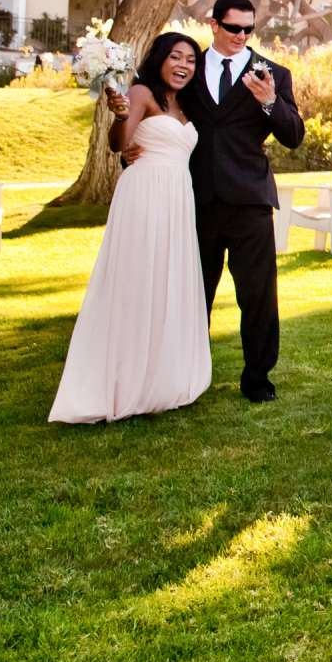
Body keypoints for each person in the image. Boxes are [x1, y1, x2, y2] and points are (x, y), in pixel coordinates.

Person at [51, 33, 212, 423]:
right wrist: (122, 117)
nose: (183, 65)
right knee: (138, 281)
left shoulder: (186, 102)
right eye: (175, 56)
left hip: (178, 197)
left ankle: (162, 376)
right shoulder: (140, 92)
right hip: (145, 195)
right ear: (159, 59)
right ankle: (124, 380)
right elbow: (119, 144)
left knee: (169, 280)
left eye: (190, 59)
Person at [174, 0, 303, 403]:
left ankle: (258, 378)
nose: (241, 36)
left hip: (250, 198)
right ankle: (185, 374)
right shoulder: (188, 69)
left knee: (258, 294)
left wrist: (270, 102)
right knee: (194, 292)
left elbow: (294, 135)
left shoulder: (272, 74)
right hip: (197, 197)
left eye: (249, 29)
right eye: (233, 28)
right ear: (214, 24)